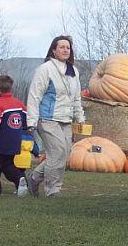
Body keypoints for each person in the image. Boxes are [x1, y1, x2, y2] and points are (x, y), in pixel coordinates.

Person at [25, 35, 86, 197]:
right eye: (62, 47)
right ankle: (53, 190)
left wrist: (80, 117)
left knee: (64, 154)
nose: (66, 50)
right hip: (47, 118)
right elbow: (34, 95)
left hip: (65, 120)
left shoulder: (74, 72)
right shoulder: (45, 69)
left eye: (68, 47)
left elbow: (76, 98)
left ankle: (34, 177)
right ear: (54, 50)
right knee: (56, 153)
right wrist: (31, 120)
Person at [0, 75, 29, 198]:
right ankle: (20, 179)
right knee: (7, 165)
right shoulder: (18, 103)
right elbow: (26, 119)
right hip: (14, 142)